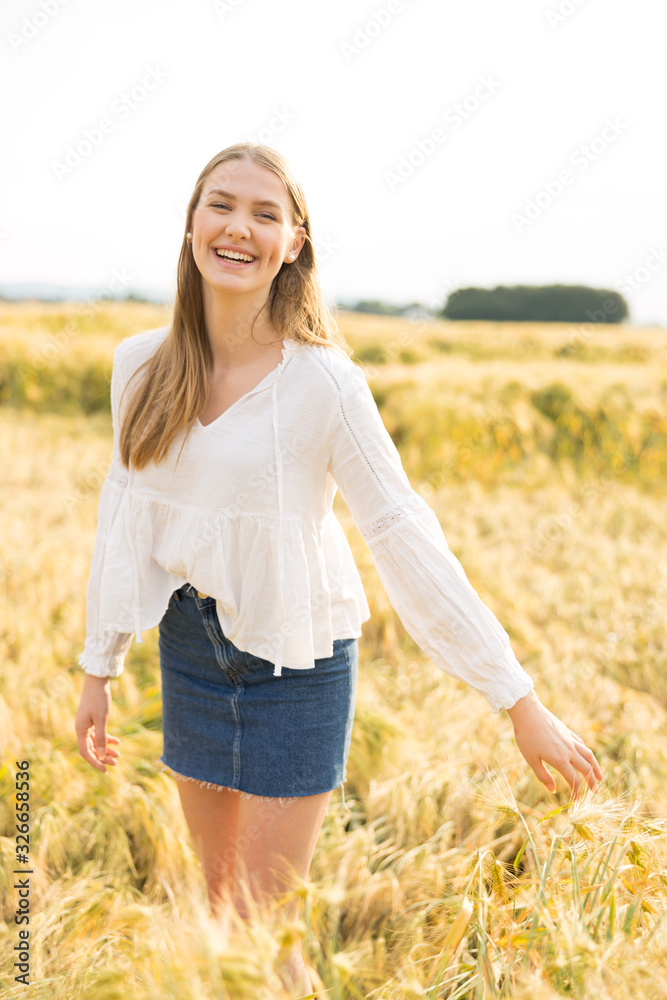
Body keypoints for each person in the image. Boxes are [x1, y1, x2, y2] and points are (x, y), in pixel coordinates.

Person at [74, 141, 603, 996]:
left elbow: (400, 530)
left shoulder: (324, 384)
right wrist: (100, 665)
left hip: (297, 662)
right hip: (191, 651)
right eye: (220, 204)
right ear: (190, 223)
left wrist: (517, 698)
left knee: (261, 921)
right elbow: (125, 513)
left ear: (295, 244)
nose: (237, 226)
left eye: (264, 213)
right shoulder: (140, 365)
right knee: (219, 917)